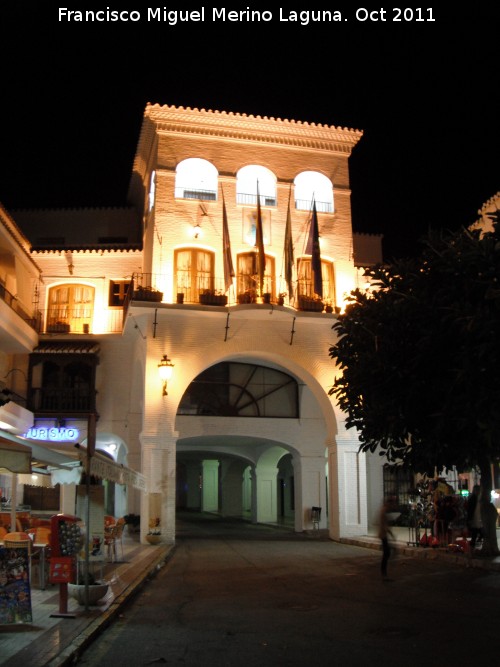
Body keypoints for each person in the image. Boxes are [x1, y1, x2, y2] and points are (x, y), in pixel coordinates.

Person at [378, 496, 397, 580]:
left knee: (387, 553)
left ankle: (384, 573)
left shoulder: (384, 510)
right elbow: (384, 524)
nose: (393, 505)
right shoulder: (384, 510)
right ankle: (384, 574)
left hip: (383, 534)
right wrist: (391, 533)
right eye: (392, 503)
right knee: (386, 554)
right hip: (383, 534)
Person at [466, 484, 483, 551]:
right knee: (475, 533)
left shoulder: (478, 498)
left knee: (476, 533)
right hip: (474, 518)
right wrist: (469, 519)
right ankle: (472, 548)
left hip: (477, 518)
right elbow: (470, 510)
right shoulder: (473, 498)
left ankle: (472, 547)